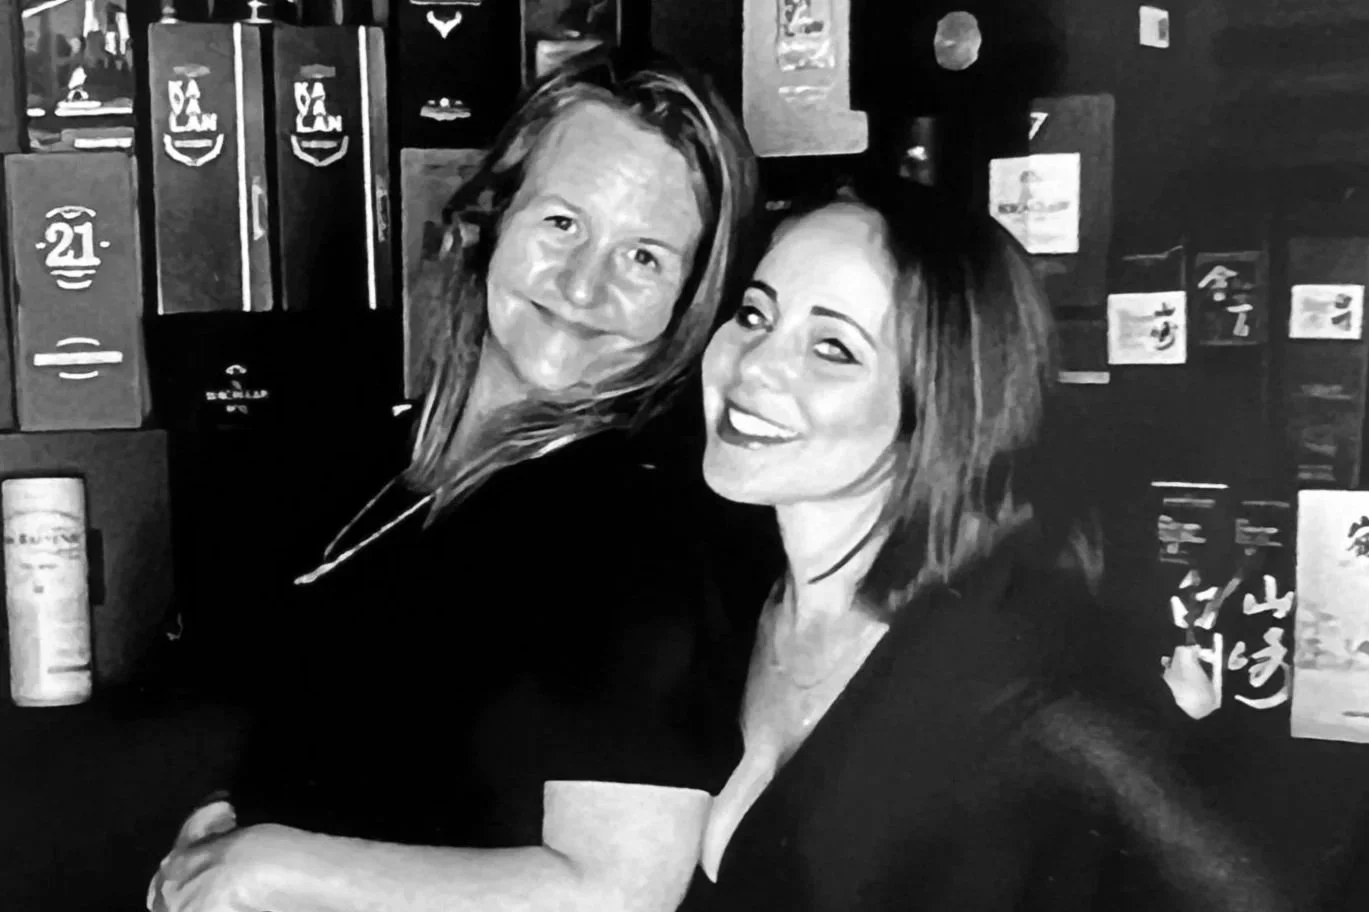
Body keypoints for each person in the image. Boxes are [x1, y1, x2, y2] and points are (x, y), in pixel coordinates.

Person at [146, 45, 769, 912]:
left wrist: (270, 867)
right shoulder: (384, 469)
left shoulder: (631, 537)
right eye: (561, 223)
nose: (584, 285)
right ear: (488, 218)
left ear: (684, 305)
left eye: (644, 258)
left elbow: (617, 892)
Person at [677, 174, 1293, 911]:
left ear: (939, 400)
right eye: (753, 314)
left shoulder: (1033, 685)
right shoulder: (713, 600)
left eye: (832, 348)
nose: (752, 367)